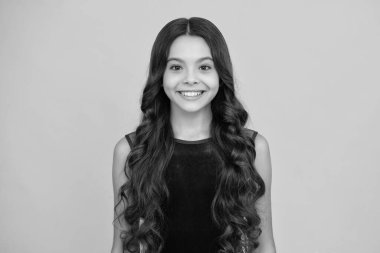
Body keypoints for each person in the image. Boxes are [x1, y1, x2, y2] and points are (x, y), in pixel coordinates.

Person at [111, 17, 276, 253]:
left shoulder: (252, 149)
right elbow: (122, 246)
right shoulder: (130, 152)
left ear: (220, 73)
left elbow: (265, 245)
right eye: (176, 67)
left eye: (204, 67)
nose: (190, 79)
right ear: (161, 74)